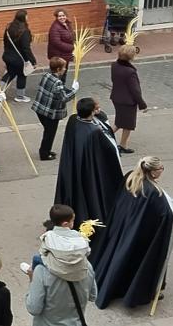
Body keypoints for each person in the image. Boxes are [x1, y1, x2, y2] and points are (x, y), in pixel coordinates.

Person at [93, 156, 173, 309]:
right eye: (160, 168)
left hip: (125, 228)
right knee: (139, 263)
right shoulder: (153, 192)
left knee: (122, 259)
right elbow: (167, 212)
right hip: (141, 235)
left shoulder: (131, 178)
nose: (162, 171)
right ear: (153, 172)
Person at [54, 98, 124, 257]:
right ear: (91, 111)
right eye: (96, 107)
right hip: (90, 171)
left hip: (76, 166)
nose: (99, 109)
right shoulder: (93, 133)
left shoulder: (74, 120)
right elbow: (108, 150)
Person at [24, 204, 97, 326]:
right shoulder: (86, 266)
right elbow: (93, 296)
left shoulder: (41, 271)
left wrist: (32, 279)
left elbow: (34, 308)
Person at [31, 58, 79, 161]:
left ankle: (46, 150)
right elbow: (64, 98)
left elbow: (59, 91)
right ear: (58, 69)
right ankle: (44, 154)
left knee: (48, 131)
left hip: (40, 109)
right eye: (64, 67)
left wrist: (69, 89)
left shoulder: (47, 75)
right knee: (50, 133)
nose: (65, 69)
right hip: (50, 112)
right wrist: (74, 91)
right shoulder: (57, 82)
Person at [110, 45, 146, 155]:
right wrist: (142, 104)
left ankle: (120, 143)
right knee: (127, 123)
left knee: (120, 122)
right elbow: (135, 90)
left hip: (116, 97)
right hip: (127, 101)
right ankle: (119, 143)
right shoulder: (130, 72)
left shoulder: (114, 65)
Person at [1, 9, 36, 102]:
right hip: (19, 59)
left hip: (7, 55)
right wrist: (32, 60)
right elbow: (26, 48)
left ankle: (0, 90)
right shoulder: (24, 31)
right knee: (22, 75)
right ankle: (20, 96)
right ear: (24, 17)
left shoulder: (9, 27)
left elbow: (5, 42)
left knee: (10, 73)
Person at [47, 10, 73, 81]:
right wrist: (71, 47)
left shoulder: (67, 24)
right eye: (59, 16)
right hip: (58, 56)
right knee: (57, 75)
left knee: (63, 74)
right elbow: (56, 42)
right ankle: (56, 87)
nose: (62, 17)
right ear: (56, 17)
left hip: (65, 54)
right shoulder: (55, 27)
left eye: (63, 15)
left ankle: (61, 86)